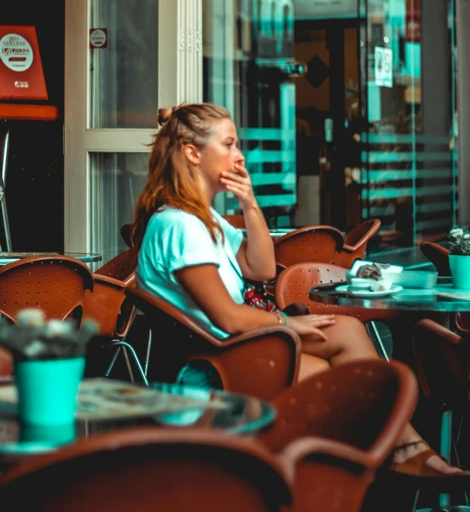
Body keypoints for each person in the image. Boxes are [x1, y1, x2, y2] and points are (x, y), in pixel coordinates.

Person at [132, 103, 464, 476]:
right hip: (213, 364)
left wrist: (249, 202)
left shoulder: (204, 220)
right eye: (228, 144)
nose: (239, 155)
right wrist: (284, 323)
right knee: (344, 382)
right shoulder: (179, 225)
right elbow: (225, 314)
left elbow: (260, 268)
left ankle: (398, 449)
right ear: (193, 153)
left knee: (347, 329)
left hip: (244, 346)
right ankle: (366, 474)